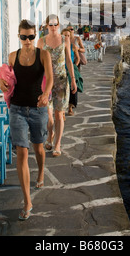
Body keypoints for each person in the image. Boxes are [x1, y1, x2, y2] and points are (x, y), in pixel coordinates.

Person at [0, 19, 53, 221]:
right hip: (18, 109)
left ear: (34, 36)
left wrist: (46, 93)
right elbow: (5, 76)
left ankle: (40, 172)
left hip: (38, 109)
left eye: (31, 36)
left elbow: (51, 77)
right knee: (22, 151)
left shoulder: (44, 54)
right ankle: (27, 201)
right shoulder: (13, 56)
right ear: (19, 36)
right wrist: (1, 83)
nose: (28, 40)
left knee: (38, 148)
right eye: (24, 37)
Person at [37, 15, 77, 157]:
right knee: (49, 116)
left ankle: (57, 143)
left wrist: (73, 79)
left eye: (56, 24)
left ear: (59, 25)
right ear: (47, 26)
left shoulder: (64, 40)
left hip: (61, 81)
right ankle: (50, 135)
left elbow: (68, 60)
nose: (53, 27)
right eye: (51, 24)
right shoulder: (41, 42)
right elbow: (38, 63)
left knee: (59, 114)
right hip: (46, 83)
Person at [62, 28, 80, 116]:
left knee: (72, 88)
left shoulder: (73, 46)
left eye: (68, 35)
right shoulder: (59, 46)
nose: (66, 37)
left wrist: (75, 66)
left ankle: (70, 107)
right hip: (61, 70)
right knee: (62, 91)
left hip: (70, 70)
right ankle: (61, 112)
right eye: (64, 35)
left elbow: (78, 58)